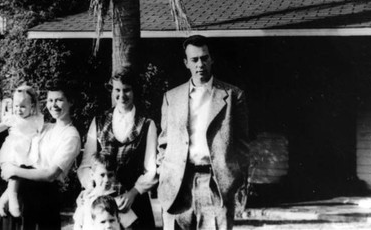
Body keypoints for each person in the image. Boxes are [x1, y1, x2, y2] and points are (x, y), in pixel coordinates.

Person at [157, 35, 249, 230]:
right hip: (178, 185)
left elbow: (242, 146)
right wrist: (165, 174)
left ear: (211, 59)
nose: (200, 64)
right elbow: (163, 143)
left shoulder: (233, 96)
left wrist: (233, 180)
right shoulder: (171, 98)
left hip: (215, 184)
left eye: (204, 58)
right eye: (194, 59)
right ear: (186, 63)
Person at [78, 70, 158, 230]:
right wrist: (91, 189)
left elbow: (151, 169)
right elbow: (87, 163)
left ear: (134, 91)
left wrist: (133, 193)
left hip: (135, 201)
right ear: (112, 90)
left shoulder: (147, 123)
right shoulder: (99, 121)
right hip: (102, 203)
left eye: (127, 89)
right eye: (117, 90)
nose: (122, 95)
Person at [0, 81, 81, 230]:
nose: (53, 105)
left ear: (71, 102)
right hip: (21, 197)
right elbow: (23, 160)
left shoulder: (71, 135)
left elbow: (50, 174)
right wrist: (7, 195)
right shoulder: (43, 127)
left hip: (44, 199)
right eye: (50, 100)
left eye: (59, 100)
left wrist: (14, 171)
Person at [0, 85, 44, 218]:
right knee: (15, 175)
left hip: (29, 152)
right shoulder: (13, 118)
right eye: (16, 106)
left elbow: (42, 133)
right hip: (14, 151)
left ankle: (1, 202)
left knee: (22, 175)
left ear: (32, 105)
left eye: (23, 106)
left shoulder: (37, 119)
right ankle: (13, 202)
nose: (19, 110)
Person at [73, 152, 137, 230]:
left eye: (110, 175)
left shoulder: (118, 201)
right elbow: (78, 224)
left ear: (115, 175)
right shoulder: (85, 199)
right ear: (92, 175)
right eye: (102, 175)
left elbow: (128, 226)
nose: (106, 180)